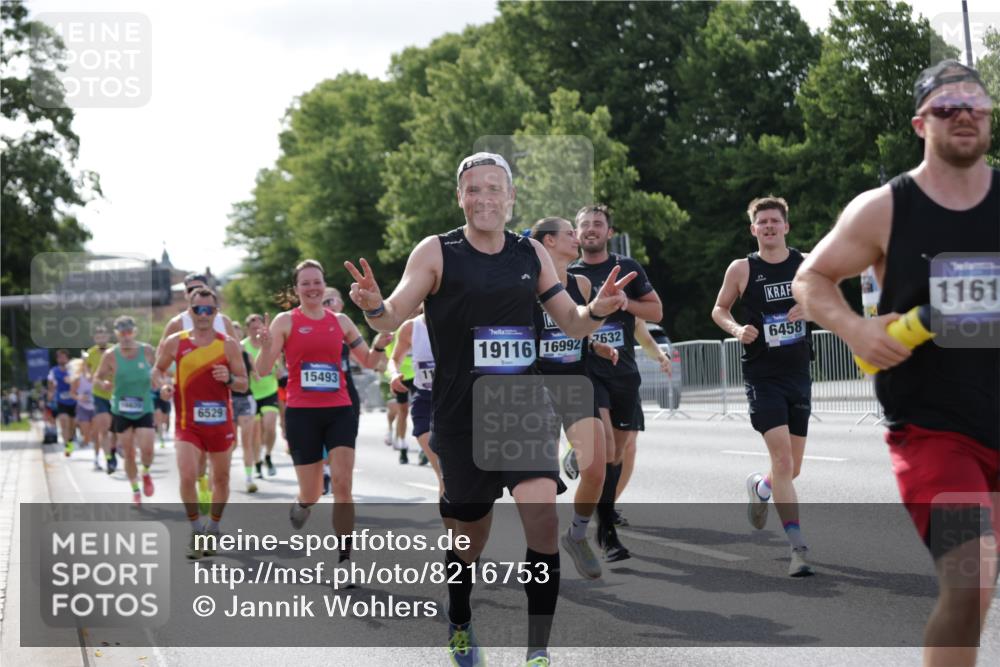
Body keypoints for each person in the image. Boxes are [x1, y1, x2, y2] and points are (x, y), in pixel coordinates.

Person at [345, 152, 635, 667]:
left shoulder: (530, 254)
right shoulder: (436, 251)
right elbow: (389, 319)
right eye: (473, 189)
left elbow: (572, 323)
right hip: (460, 417)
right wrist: (371, 304)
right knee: (468, 539)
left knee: (542, 518)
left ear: (511, 197)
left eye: (494, 188)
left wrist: (598, 311)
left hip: (520, 408)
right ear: (460, 197)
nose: (484, 198)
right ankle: (459, 616)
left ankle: (537, 650)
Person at [792, 60, 998, 666]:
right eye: (946, 105)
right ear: (920, 122)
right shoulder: (884, 209)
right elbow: (812, 280)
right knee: (972, 575)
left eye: (975, 103)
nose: (963, 113)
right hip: (935, 429)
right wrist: (855, 327)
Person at [255, 260, 384, 570]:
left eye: (317, 282)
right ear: (297, 288)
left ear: (324, 285)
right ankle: (303, 503)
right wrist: (266, 347)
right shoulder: (285, 322)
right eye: (305, 283)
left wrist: (380, 345)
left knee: (342, 483)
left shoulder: (340, 322)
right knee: (312, 491)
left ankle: (344, 559)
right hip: (302, 414)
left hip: (339, 409)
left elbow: (367, 361)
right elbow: (261, 371)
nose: (312, 288)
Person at [711, 195, 815, 577]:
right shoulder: (742, 269)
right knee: (784, 460)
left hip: (798, 372)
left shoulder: (805, 264)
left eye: (775, 221)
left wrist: (812, 308)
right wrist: (737, 328)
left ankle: (761, 488)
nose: (769, 227)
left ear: (786, 226)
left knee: (792, 468)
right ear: (753, 229)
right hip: (762, 375)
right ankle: (798, 548)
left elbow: (827, 298)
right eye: (762, 222)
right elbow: (719, 309)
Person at [569, 203, 662, 562]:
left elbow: (655, 312)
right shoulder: (568, 274)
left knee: (619, 451)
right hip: (587, 369)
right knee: (606, 448)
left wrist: (626, 302)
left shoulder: (627, 268)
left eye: (598, 224)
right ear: (576, 235)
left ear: (609, 232)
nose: (591, 229)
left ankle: (601, 514)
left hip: (623, 370)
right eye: (585, 225)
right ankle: (606, 533)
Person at [530, 217, 615, 580]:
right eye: (569, 233)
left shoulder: (581, 283)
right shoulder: (526, 286)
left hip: (576, 382)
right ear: (549, 241)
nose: (577, 238)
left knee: (596, 466)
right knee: (542, 484)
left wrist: (594, 342)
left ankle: (577, 535)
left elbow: (575, 327)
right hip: (536, 387)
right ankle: (540, 558)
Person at [154, 288, 248, 558]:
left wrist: (228, 379)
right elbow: (158, 371)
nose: (203, 315)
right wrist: (163, 387)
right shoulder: (175, 341)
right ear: (189, 311)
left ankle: (214, 527)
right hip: (187, 424)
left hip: (220, 424)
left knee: (221, 478)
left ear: (216, 312)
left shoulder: (228, 344)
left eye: (209, 310)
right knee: (186, 474)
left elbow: (243, 384)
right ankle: (196, 530)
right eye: (198, 310)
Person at [322, 287, 391, 490]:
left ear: (341, 304)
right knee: (320, 436)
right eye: (325, 302)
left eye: (332, 301)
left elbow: (369, 361)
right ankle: (325, 470)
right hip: (316, 396)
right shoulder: (309, 329)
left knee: (345, 440)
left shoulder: (345, 329)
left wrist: (380, 352)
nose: (329, 306)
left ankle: (337, 476)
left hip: (345, 393)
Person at [95, 316, 157, 507]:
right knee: (129, 452)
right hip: (121, 409)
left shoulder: (147, 351)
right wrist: (102, 383)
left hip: (144, 406)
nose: (126, 336)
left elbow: (159, 372)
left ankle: (145, 472)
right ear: (117, 334)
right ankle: (135, 490)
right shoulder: (111, 355)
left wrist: (162, 384)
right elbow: (97, 377)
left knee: (147, 450)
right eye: (122, 332)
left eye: (129, 331)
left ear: (135, 332)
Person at [244, 313, 282, 480]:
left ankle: (268, 455)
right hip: (251, 394)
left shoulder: (270, 344)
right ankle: (258, 463)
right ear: (248, 330)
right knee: (256, 433)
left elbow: (279, 369)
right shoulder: (242, 347)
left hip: (269, 391)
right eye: (253, 328)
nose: (256, 331)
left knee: (270, 425)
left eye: (259, 327)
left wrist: (279, 370)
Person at [229, 322, 259, 494]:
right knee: (231, 444)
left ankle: (249, 479)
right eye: (232, 333)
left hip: (246, 399)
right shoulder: (223, 355)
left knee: (247, 442)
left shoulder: (247, 356)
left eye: (237, 333)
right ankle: (221, 476)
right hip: (229, 401)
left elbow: (257, 374)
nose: (236, 335)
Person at [85, 325, 116, 473]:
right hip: (99, 394)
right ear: (94, 339)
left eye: (103, 336)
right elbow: (88, 373)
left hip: (117, 393)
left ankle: (114, 450)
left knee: (116, 429)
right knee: (104, 427)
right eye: (98, 337)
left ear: (108, 337)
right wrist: (99, 382)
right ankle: (109, 459)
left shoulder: (115, 350)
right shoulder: (91, 353)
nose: (101, 339)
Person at [385, 327, 416, 463]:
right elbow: (391, 356)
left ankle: (424, 448)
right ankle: (402, 444)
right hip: (401, 376)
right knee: (402, 412)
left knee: (421, 409)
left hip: (418, 375)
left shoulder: (421, 326)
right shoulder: (396, 330)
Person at [47, 349, 78, 456]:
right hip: (61, 401)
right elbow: (50, 384)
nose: (62, 359)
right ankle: (67, 446)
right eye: (60, 357)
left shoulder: (73, 370)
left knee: (72, 425)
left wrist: (72, 381)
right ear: (57, 359)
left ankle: (71, 440)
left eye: (64, 357)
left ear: (68, 358)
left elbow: (79, 382)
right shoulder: (54, 371)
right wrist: (50, 393)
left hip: (74, 401)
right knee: (64, 422)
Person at [69, 358, 98, 469]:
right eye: (87, 366)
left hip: (96, 408)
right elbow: (72, 393)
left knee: (96, 435)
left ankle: (97, 459)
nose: (89, 368)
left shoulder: (98, 377)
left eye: (91, 366)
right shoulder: (78, 379)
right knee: (87, 435)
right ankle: (83, 441)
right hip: (83, 408)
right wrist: (79, 397)